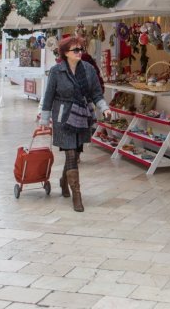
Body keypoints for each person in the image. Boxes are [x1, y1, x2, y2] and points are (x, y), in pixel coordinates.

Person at [39, 36, 110, 212]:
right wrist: (44, 120)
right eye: (75, 50)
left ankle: (64, 181)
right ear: (65, 53)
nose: (79, 53)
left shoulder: (88, 70)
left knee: (75, 151)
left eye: (81, 49)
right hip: (63, 117)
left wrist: (104, 108)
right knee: (70, 154)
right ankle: (76, 195)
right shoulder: (56, 71)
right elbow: (48, 96)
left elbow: (96, 93)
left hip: (82, 115)